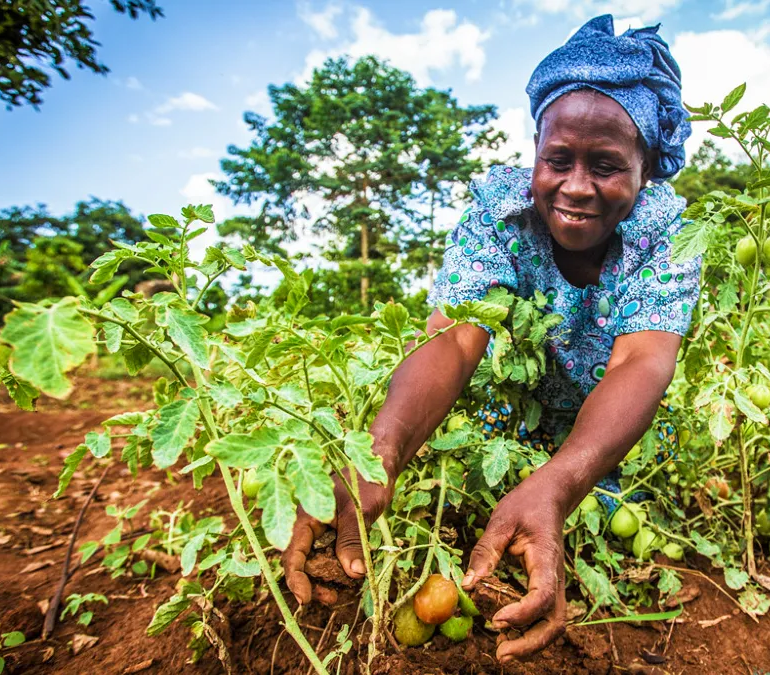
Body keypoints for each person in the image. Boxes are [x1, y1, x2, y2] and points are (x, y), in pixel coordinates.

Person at [282, 14, 699, 662]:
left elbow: (642, 362)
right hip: (515, 415)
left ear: (645, 171)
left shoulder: (668, 232)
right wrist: (382, 449)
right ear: (535, 150)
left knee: (609, 530)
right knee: (486, 489)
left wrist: (561, 483)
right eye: (557, 159)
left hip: (613, 431)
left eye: (608, 165)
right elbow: (451, 338)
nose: (577, 187)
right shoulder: (497, 211)